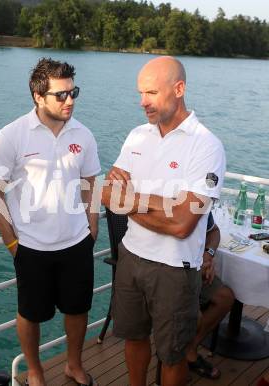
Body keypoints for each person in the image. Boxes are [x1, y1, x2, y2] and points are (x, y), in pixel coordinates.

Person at [101, 56, 226, 386]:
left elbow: (184, 224)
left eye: (152, 92)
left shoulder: (206, 146)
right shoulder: (137, 136)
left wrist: (131, 201)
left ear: (179, 89)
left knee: (173, 353)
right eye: (141, 93)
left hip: (174, 268)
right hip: (130, 256)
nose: (143, 102)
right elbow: (106, 195)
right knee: (134, 337)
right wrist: (164, 206)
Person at [0, 58, 101, 386]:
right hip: (31, 246)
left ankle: (73, 365)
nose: (70, 100)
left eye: (73, 92)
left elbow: (93, 181)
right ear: (38, 96)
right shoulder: (12, 136)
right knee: (30, 314)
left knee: (78, 310)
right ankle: (34, 371)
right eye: (61, 95)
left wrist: (93, 225)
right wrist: (11, 243)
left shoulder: (83, 134)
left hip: (77, 242)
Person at [186, 212, 235, 379]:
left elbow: (214, 231)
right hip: (169, 273)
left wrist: (208, 255)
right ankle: (174, 359)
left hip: (195, 268)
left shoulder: (200, 197)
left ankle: (190, 350)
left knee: (225, 298)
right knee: (193, 317)